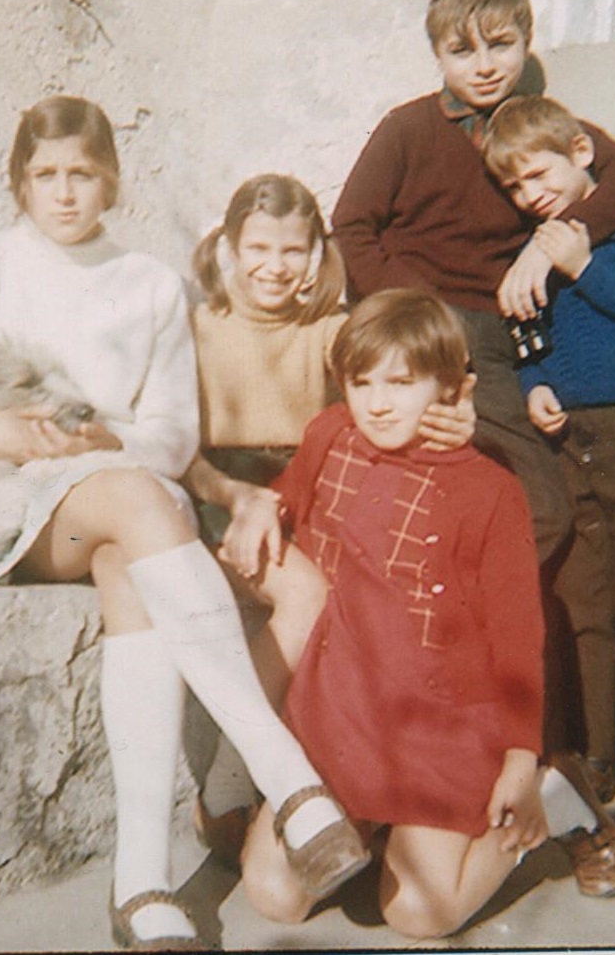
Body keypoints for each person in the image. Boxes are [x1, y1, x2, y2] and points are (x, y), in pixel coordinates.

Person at [0, 99, 372, 950]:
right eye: (45, 175)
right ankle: (288, 778)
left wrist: (100, 438)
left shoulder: (150, 285)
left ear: (112, 182)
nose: (64, 193)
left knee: (134, 547)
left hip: (110, 502)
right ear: (19, 182)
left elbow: (170, 435)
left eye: (83, 175)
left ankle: (140, 883)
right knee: (142, 503)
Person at [238, 289, 615, 937]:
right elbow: (284, 497)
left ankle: (556, 794)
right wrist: (259, 505)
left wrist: (517, 760)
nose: (378, 402)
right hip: (339, 715)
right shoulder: (330, 435)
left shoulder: (489, 489)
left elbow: (516, 637)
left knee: (418, 912)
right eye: (361, 382)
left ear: (452, 389)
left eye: (401, 382)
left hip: (442, 727)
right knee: (274, 892)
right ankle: (372, 825)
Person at [181, 173, 474, 868]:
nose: (274, 266)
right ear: (228, 247)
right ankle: (227, 785)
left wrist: (459, 409)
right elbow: (177, 448)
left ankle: (380, 781)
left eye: (292, 249)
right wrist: (235, 498)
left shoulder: (331, 327)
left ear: (314, 252)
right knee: (306, 595)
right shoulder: (198, 326)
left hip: (309, 488)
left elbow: (420, 364)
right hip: (221, 491)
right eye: (258, 248)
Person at [331, 0, 615, 567]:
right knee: (463, 493)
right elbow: (352, 225)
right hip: (421, 325)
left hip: (500, 336)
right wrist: (416, 312)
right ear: (438, 57)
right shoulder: (408, 128)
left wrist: (546, 245)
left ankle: (466, 604)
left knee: (541, 504)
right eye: (462, 51)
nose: (484, 66)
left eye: (501, 45)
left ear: (526, 43)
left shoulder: (537, 128)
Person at [482, 95, 615, 838]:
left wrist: (583, 266)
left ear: (579, 153)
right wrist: (534, 383)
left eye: (537, 174)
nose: (529, 194)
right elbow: (529, 335)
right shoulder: (531, 246)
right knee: (587, 610)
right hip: (569, 440)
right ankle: (599, 763)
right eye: (513, 186)